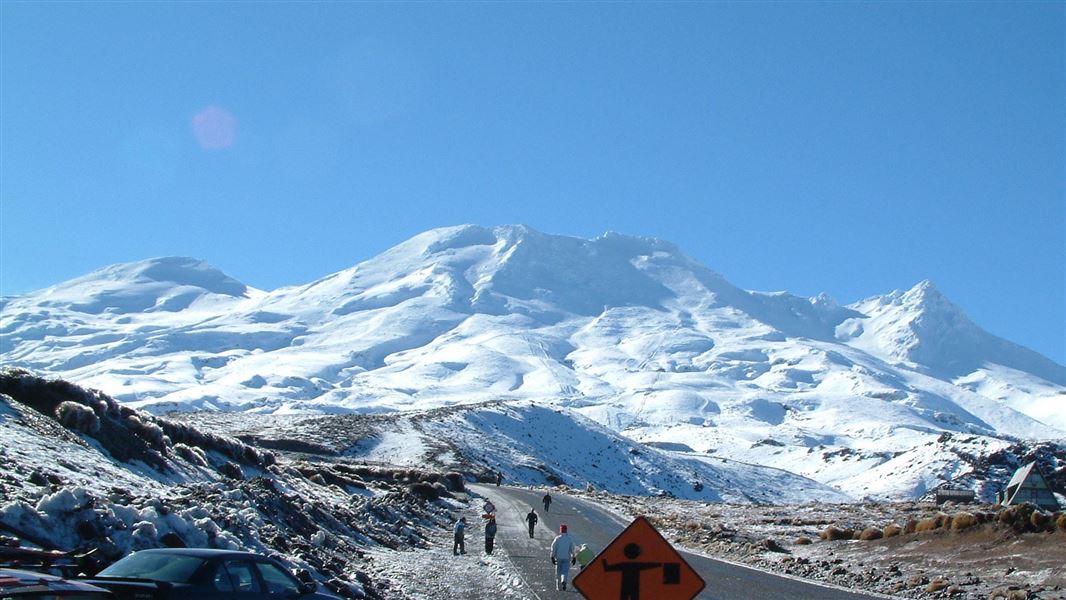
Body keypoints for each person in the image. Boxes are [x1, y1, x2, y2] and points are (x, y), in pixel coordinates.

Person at [549, 524, 576, 591]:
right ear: (566, 531)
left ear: (560, 531)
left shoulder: (557, 539)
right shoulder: (569, 539)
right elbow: (572, 549)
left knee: (558, 572)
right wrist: (574, 557)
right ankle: (563, 581)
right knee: (565, 571)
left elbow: (553, 547)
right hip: (567, 558)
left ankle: (559, 587)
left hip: (558, 557)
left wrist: (552, 556)